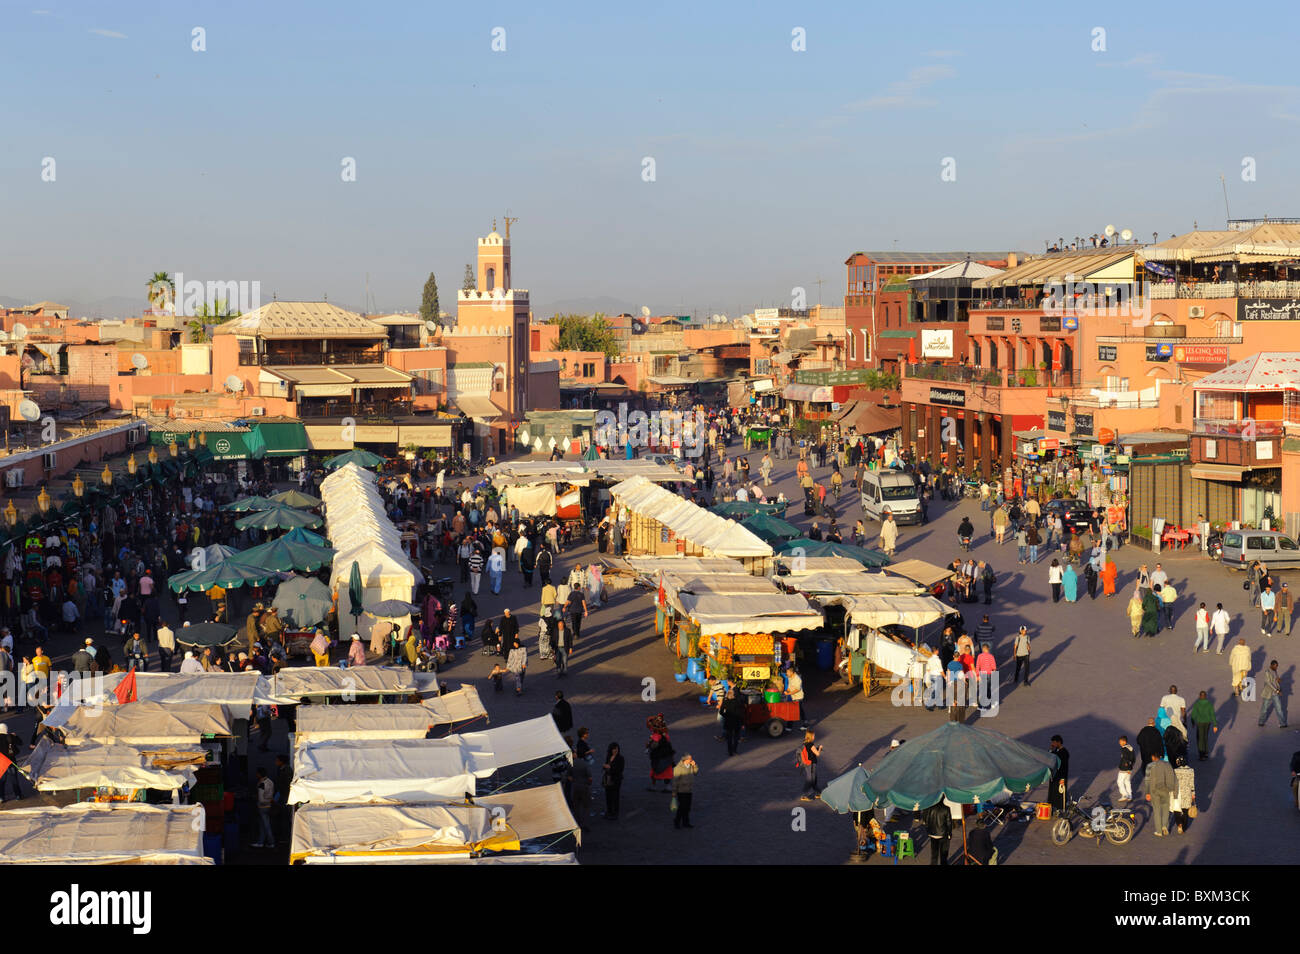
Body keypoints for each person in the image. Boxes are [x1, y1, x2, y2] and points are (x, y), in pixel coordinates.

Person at [1142, 753, 1177, 838]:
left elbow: (1147, 780)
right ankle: (1165, 826)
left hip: (1154, 791)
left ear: (1153, 757)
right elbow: (1174, 777)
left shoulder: (1150, 765)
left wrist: (1147, 792)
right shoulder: (1167, 764)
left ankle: (1159, 831)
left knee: (1157, 810)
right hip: (1166, 789)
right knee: (1165, 807)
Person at [646, 714, 674, 792]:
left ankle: (654, 786)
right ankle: (668, 786)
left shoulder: (656, 735)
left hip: (658, 757)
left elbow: (654, 746)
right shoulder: (665, 734)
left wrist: (649, 744)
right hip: (667, 756)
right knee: (667, 771)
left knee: (654, 771)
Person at [1188, 690, 1218, 761]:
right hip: (1207, 722)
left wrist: (1192, 722)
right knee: (1205, 736)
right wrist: (1215, 725)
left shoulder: (1197, 704)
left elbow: (1193, 714)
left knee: (1200, 738)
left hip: (1200, 723)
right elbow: (1212, 714)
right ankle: (1206, 752)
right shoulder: (1209, 704)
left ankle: (1201, 754)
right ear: (1205, 697)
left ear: (1200, 696)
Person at [922, 799, 953, 865]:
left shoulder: (930, 808)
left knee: (934, 854)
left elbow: (926, 819)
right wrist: (950, 833)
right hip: (943, 833)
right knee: (943, 854)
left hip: (932, 833)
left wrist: (928, 830)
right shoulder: (946, 809)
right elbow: (949, 823)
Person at [1259, 659, 1287, 727]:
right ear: (1271, 665)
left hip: (1275, 694)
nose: (1276, 667)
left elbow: (1275, 680)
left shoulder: (1275, 671)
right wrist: (1277, 690)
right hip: (1268, 693)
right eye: (1275, 666)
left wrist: (1278, 681)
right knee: (1264, 709)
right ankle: (1261, 722)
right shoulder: (1267, 672)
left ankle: (1282, 723)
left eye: (1277, 666)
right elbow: (1268, 683)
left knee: (1279, 709)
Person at [672, 753, 698, 829]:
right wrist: (674, 791)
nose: (691, 760)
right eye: (689, 759)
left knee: (687, 807)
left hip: (689, 790)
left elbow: (695, 772)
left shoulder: (690, 766)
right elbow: (675, 781)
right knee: (682, 807)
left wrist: (694, 765)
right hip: (681, 791)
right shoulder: (678, 768)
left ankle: (685, 822)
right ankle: (677, 821)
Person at [1171, 757, 1196, 835]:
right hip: (1187, 793)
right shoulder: (1191, 771)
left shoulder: (1175, 771)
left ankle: (1179, 824)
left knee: (1177, 810)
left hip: (1178, 793)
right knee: (1185, 811)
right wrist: (1193, 794)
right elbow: (1192, 784)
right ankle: (1184, 827)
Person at [252, 767, 276, 848]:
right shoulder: (270, 781)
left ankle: (271, 842)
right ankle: (260, 842)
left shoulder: (261, 784)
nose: (256, 775)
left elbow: (261, 799)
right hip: (269, 806)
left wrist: (260, 802)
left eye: (257, 773)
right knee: (263, 825)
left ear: (259, 774)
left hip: (263, 807)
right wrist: (270, 800)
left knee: (266, 825)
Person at [797, 730, 823, 801]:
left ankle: (818, 793)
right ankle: (804, 795)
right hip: (811, 764)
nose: (814, 736)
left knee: (813, 779)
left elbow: (810, 752)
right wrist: (820, 748)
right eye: (813, 735)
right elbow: (817, 754)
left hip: (807, 764)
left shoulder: (805, 743)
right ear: (811, 736)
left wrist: (816, 748)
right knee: (810, 780)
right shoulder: (811, 744)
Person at [602, 742, 625, 819]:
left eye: (617, 749)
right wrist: (605, 767)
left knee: (615, 796)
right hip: (608, 779)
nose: (615, 750)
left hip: (616, 780)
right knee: (608, 796)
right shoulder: (609, 757)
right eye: (614, 749)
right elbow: (606, 766)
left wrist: (609, 768)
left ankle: (615, 813)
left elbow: (620, 769)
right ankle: (609, 811)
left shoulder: (620, 758)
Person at [720, 688, 745, 756]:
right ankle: (735, 750)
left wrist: (726, 716)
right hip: (736, 721)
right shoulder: (737, 702)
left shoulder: (725, 701)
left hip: (728, 721)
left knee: (729, 737)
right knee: (736, 737)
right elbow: (741, 713)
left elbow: (721, 712)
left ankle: (730, 751)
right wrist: (742, 723)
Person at [1049, 735, 1069, 815]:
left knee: (1060, 794)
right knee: (1053, 793)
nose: (1052, 744)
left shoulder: (1064, 752)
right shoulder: (1056, 751)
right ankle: (1054, 809)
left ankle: (1061, 810)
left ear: (1059, 742)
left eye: (1054, 742)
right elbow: (1050, 757)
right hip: (1055, 777)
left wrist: (1062, 779)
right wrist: (1051, 750)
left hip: (1061, 777)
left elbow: (1064, 767)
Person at [1116, 735, 1136, 803]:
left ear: (1124, 741)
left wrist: (1126, 766)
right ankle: (1130, 795)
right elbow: (1133, 758)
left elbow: (1125, 759)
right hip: (1130, 768)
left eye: (1120, 742)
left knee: (1120, 781)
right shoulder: (1130, 747)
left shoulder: (1124, 749)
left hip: (1124, 768)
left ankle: (1124, 794)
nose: (1119, 743)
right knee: (1127, 781)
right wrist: (1130, 767)